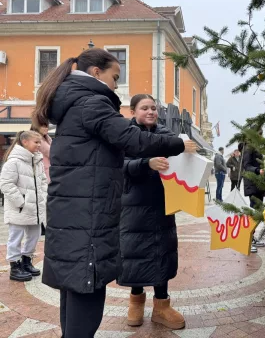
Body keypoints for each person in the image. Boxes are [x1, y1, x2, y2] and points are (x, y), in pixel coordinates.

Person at [31, 48, 197, 338]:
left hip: (76, 213)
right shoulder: (90, 103)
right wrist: (179, 144)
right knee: (86, 288)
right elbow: (131, 139)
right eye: (115, 77)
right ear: (96, 73)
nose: (116, 85)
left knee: (75, 288)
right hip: (88, 216)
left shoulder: (74, 103)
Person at [118, 94, 186, 329]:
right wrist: (145, 163)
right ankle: (136, 301)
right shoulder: (124, 135)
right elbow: (119, 165)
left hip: (161, 203)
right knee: (135, 252)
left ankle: (162, 306)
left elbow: (179, 151)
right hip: (133, 203)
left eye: (154, 108)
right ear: (133, 111)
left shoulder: (166, 135)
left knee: (161, 252)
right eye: (144, 108)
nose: (150, 112)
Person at [0, 131, 47, 282]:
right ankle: (15, 266)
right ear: (25, 142)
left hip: (36, 209)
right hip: (19, 209)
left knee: (34, 235)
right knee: (16, 237)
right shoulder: (13, 161)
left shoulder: (37, 160)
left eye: (40, 142)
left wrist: (43, 198)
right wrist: (21, 202)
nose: (39, 145)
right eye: (36, 142)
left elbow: (43, 182)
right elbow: (6, 184)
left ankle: (26, 261)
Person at [240, 134, 265, 251]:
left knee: (258, 211)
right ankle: (247, 239)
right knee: (253, 211)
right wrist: (257, 170)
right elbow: (246, 166)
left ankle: (252, 237)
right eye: (259, 134)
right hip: (252, 183)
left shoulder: (257, 147)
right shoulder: (248, 148)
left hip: (259, 184)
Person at [30, 123, 52, 236]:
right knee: (43, 201)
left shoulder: (46, 138)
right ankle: (42, 225)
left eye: (47, 126)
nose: (46, 128)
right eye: (44, 126)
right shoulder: (39, 140)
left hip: (47, 172)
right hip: (43, 171)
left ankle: (42, 225)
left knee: (44, 201)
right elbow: (51, 152)